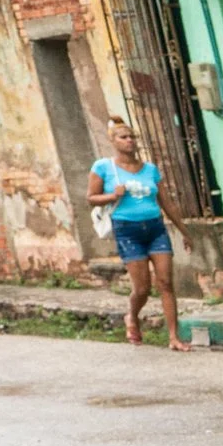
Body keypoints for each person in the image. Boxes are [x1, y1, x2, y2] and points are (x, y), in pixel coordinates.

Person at [87, 118, 183, 351]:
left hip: (155, 228)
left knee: (166, 283)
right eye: (123, 137)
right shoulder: (103, 167)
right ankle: (132, 316)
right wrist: (112, 196)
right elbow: (91, 198)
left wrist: (184, 231)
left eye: (132, 137)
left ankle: (174, 337)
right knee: (142, 288)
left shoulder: (150, 169)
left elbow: (166, 202)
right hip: (127, 231)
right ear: (113, 141)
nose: (130, 141)